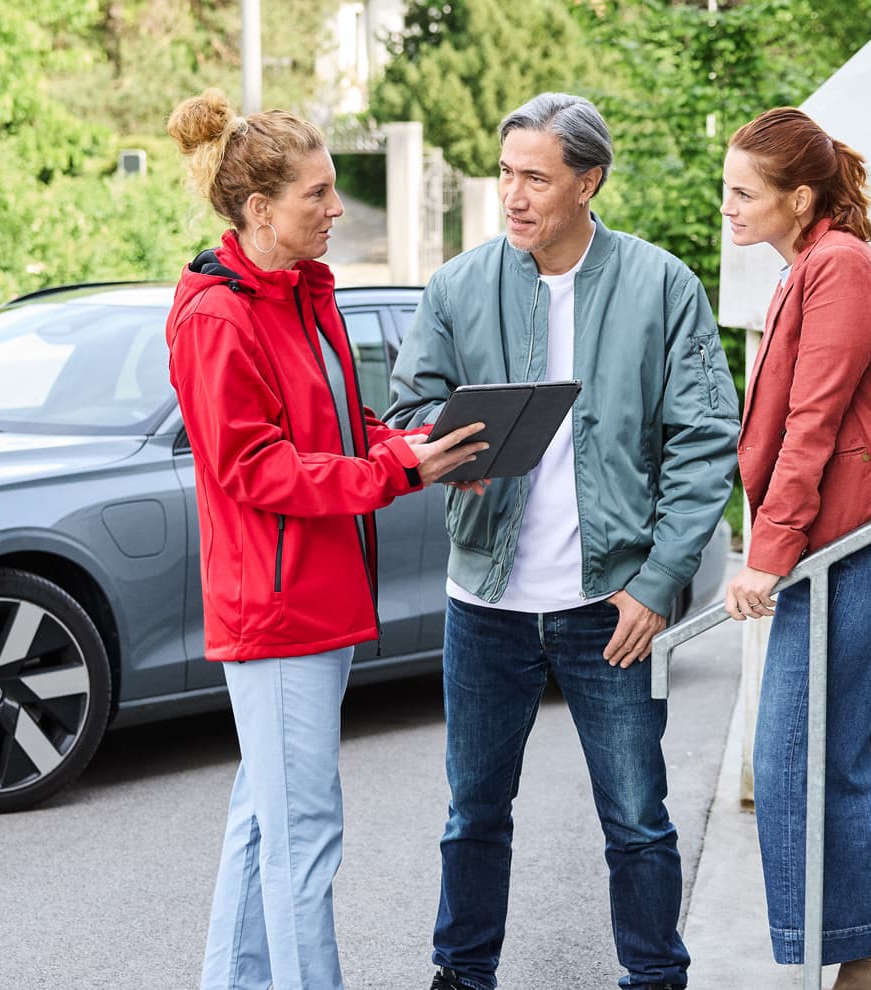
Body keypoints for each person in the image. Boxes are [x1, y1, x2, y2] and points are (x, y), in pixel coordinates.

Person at [386, 92, 740, 990]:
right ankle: (462, 978)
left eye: (536, 178)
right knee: (474, 814)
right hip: (486, 604)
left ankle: (655, 979)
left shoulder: (663, 286)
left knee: (636, 818)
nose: (514, 195)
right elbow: (405, 412)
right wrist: (444, 445)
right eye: (506, 173)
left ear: (589, 182)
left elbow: (706, 442)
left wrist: (660, 580)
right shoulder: (459, 285)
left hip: (608, 606)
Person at [164, 88, 489, 990]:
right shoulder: (216, 316)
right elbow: (256, 470)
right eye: (318, 194)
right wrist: (396, 475)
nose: (338, 210)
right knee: (304, 837)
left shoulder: (307, 297)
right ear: (260, 209)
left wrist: (416, 448)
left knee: (265, 822)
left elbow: (340, 433)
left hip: (322, 597)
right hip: (276, 614)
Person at [717, 106, 871, 990]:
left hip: (853, 554)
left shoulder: (841, 271)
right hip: (865, 545)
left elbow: (813, 427)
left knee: (795, 755)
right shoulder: (817, 267)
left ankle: (865, 955)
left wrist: (766, 554)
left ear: (799, 197)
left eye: (743, 192)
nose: (728, 208)